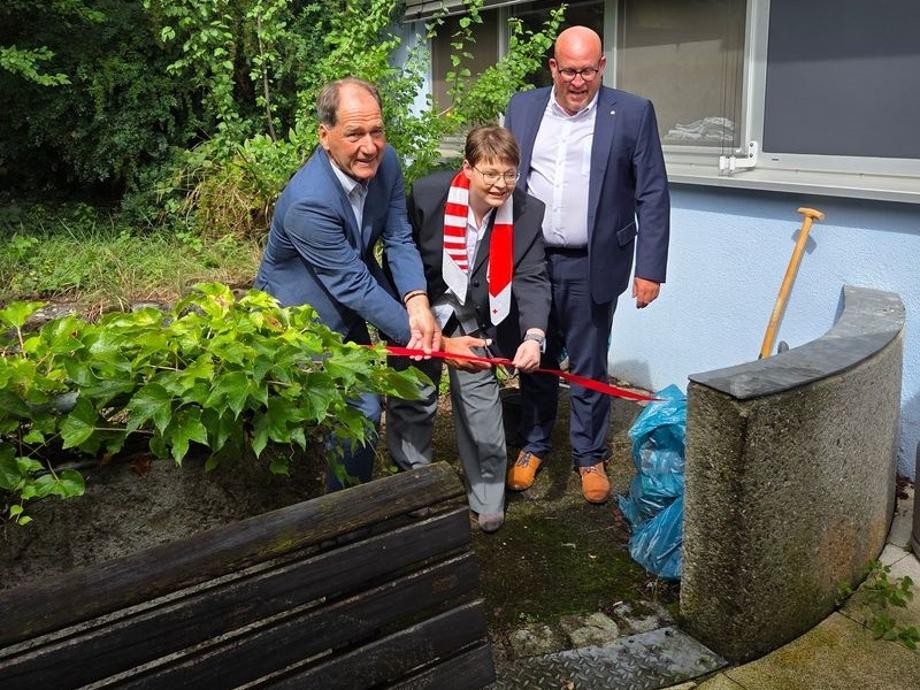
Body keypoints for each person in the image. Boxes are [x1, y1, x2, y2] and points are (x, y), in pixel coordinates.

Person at [254, 77, 480, 492]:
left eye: (377, 131)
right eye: (355, 133)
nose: (370, 146)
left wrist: (416, 301)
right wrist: (442, 347)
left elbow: (397, 235)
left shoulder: (387, 163)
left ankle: (356, 491)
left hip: (348, 293)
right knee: (360, 406)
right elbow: (353, 285)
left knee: (363, 402)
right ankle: (341, 514)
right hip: (295, 316)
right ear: (325, 136)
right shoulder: (309, 202)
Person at [504, 25, 670, 504]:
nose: (578, 82)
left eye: (588, 71)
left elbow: (653, 192)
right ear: (553, 67)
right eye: (569, 71)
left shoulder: (632, 113)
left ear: (601, 68)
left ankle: (590, 455)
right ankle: (532, 446)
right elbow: (506, 178)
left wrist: (650, 268)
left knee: (589, 363)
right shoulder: (523, 108)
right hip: (530, 259)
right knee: (534, 356)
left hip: (592, 262)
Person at [386, 126, 550, 533]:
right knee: (414, 400)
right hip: (421, 309)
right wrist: (409, 310)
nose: (501, 185)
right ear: (468, 168)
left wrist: (534, 335)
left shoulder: (528, 213)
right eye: (490, 173)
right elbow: (400, 250)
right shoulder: (427, 195)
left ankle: (488, 494)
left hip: (478, 318)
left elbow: (532, 277)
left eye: (510, 174)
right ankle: (416, 488)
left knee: (482, 409)